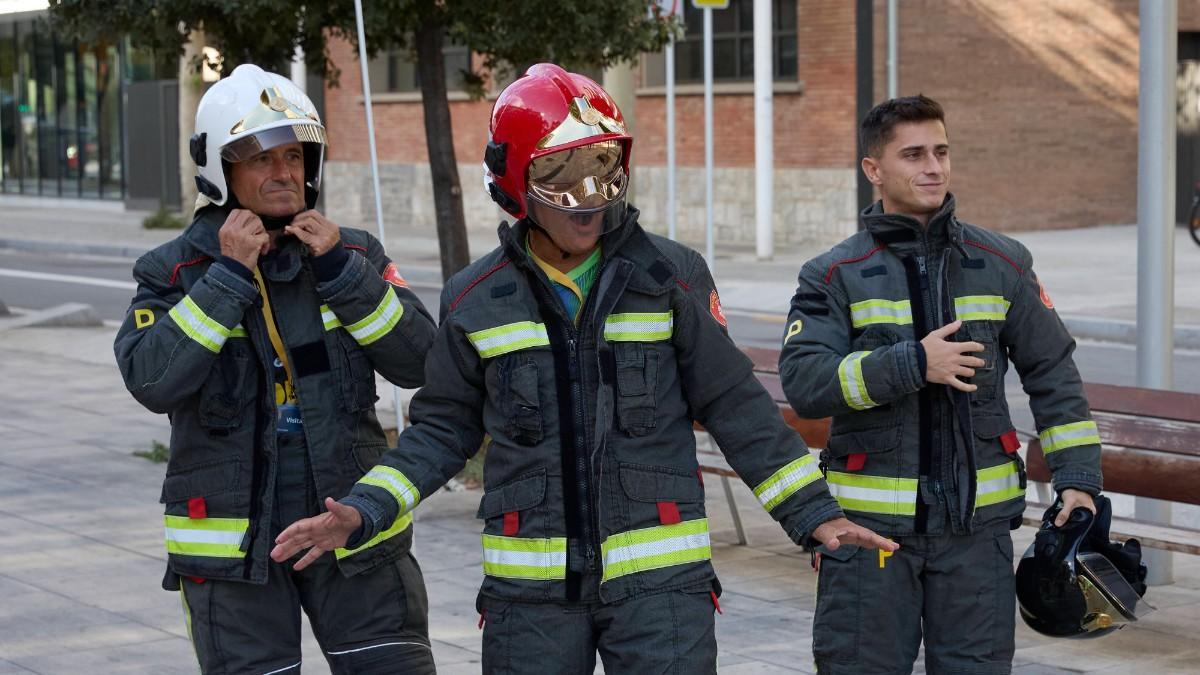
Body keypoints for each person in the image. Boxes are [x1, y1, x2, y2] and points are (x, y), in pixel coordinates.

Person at [269, 63, 896, 673]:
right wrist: (364, 508)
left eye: (603, 169)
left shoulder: (670, 278)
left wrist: (813, 513)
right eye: (562, 175)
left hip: (662, 594)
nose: (588, 199)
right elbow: (440, 431)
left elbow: (736, 407)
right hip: (530, 602)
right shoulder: (475, 297)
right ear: (515, 183)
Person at [114, 64, 438, 674]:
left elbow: (423, 360)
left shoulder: (353, 253)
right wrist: (229, 275)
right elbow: (152, 381)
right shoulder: (173, 270)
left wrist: (343, 272)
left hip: (347, 515)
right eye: (260, 158)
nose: (284, 172)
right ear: (220, 169)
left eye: (294, 155)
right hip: (233, 541)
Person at [778, 94, 1103, 674]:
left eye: (941, 150)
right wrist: (910, 364)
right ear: (873, 170)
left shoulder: (1002, 261)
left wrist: (1078, 479)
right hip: (868, 541)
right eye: (914, 154)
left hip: (976, 539)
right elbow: (805, 382)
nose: (933, 166)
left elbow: (1053, 373)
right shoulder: (833, 273)